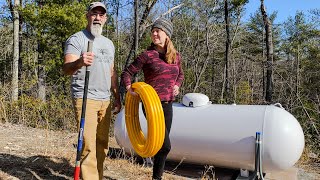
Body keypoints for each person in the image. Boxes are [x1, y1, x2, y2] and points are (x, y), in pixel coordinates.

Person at [63, 2, 121, 180]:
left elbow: (111, 71)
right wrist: (80, 62)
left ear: (105, 19)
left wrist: (117, 96)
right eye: (94, 14)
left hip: (105, 99)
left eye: (101, 15)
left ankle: (98, 177)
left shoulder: (109, 44)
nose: (97, 18)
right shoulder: (77, 39)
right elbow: (66, 69)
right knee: (88, 145)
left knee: (102, 144)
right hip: (85, 97)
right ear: (87, 16)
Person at [121, 17, 184, 180]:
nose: (154, 34)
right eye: (153, 31)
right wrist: (130, 88)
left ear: (167, 35)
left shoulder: (176, 56)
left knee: (161, 146)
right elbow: (127, 73)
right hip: (151, 105)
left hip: (168, 104)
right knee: (166, 146)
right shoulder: (147, 55)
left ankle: (156, 178)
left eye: (158, 31)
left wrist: (177, 85)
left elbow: (181, 74)